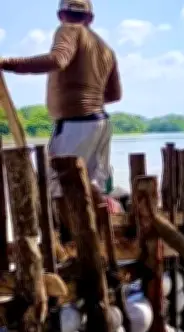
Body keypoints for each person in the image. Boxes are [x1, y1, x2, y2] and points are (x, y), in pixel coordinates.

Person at [0, 0, 121, 200]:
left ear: (60, 15)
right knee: (92, 184)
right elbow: (115, 95)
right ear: (90, 18)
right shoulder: (107, 49)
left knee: (59, 186)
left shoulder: (69, 29)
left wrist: (7, 63)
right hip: (100, 123)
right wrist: (85, 97)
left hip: (76, 125)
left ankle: (67, 229)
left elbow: (58, 60)